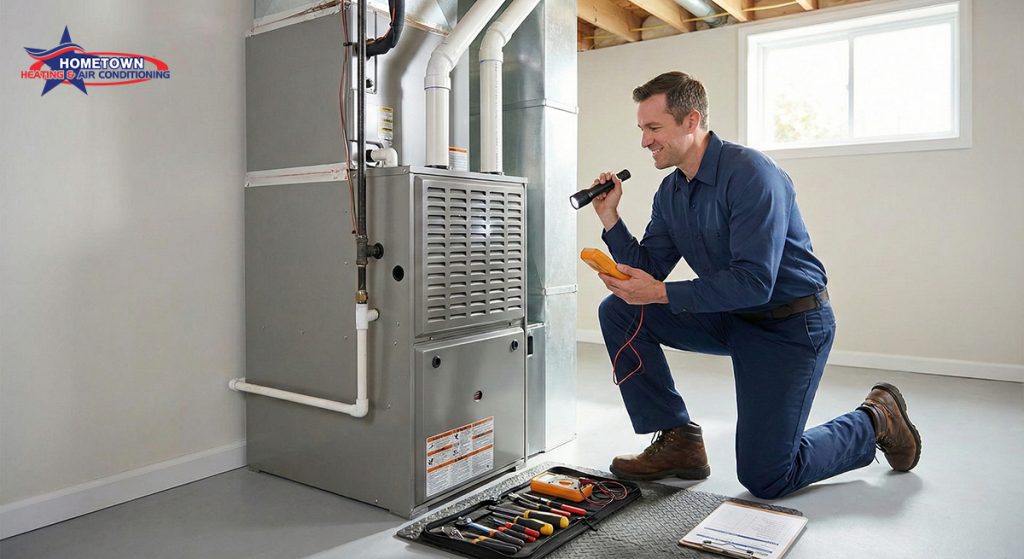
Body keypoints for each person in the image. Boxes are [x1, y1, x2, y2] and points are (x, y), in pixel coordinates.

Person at [590, 71, 921, 499]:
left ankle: (877, 418)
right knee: (619, 310)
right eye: (642, 129)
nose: (645, 141)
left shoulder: (752, 174)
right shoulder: (671, 192)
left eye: (654, 128)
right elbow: (648, 270)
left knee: (767, 476)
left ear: (691, 121)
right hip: (731, 316)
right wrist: (610, 218)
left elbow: (754, 282)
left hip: (789, 325)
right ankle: (679, 442)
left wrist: (659, 292)